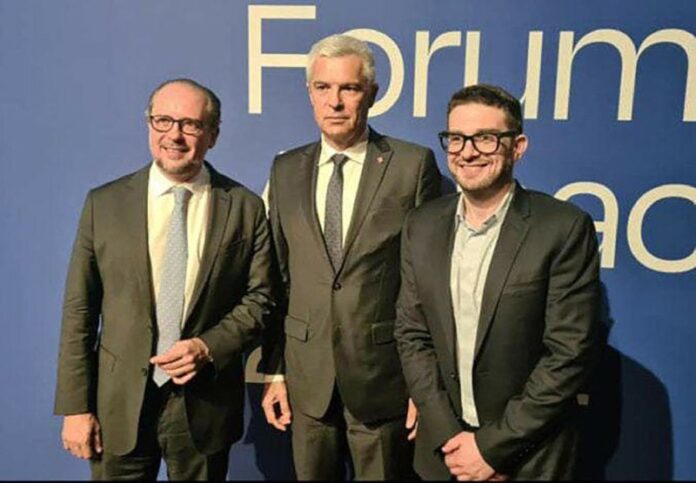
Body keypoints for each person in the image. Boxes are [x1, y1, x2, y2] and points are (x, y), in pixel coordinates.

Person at [54, 78, 275, 480]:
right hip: (119, 406)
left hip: (204, 405)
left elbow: (261, 300)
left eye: (190, 124)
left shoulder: (245, 208)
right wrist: (75, 407)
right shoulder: (104, 204)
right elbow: (79, 311)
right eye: (164, 121)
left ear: (213, 135)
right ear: (149, 125)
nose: (175, 135)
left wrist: (207, 347)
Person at [394, 84, 601, 480]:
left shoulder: (562, 228)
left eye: (485, 138)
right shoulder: (421, 225)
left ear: (517, 147)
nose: (467, 151)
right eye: (456, 138)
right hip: (444, 456)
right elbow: (411, 333)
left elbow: (568, 354)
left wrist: (491, 449)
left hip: (527, 459)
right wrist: (449, 438)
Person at [260, 34, 442, 480]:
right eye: (323, 87)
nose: (335, 102)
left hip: (384, 380)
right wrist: (274, 371)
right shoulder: (285, 169)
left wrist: (425, 385)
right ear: (309, 93)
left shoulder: (412, 165)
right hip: (307, 380)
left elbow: (429, 284)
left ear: (372, 94)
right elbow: (277, 278)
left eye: (349, 88)